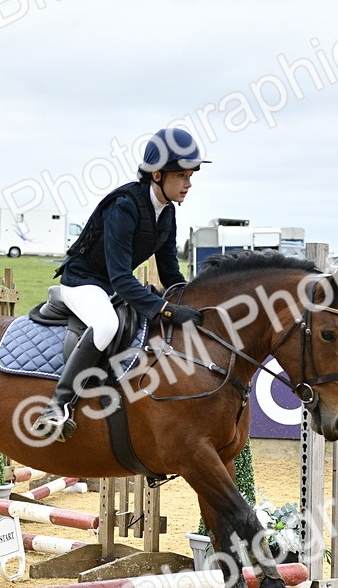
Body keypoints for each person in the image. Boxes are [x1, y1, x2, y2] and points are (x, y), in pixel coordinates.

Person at [30, 127, 209, 441]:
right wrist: (166, 311)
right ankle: (56, 406)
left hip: (111, 286)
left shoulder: (167, 213)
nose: (189, 184)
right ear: (157, 174)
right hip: (84, 282)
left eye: (190, 176)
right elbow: (122, 278)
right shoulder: (124, 206)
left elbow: (171, 275)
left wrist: (191, 303)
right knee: (106, 325)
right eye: (181, 175)